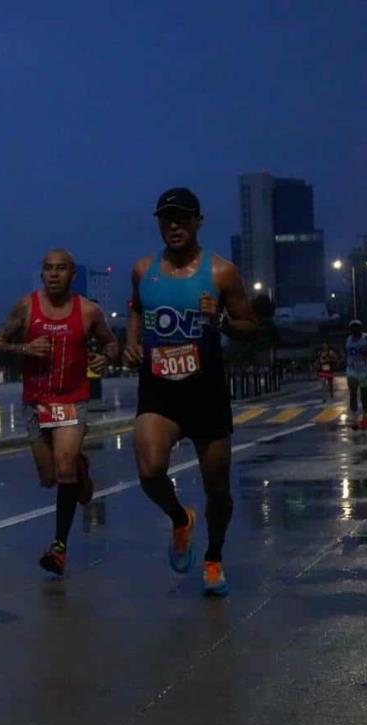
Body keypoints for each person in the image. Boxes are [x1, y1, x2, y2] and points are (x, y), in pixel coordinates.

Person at [123, 188, 256, 597]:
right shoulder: (145, 269)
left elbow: (249, 328)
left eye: (182, 218)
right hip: (159, 390)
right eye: (166, 218)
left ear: (199, 222)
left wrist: (220, 321)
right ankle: (180, 519)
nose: (174, 225)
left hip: (206, 392)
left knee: (217, 488)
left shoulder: (221, 273)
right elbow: (136, 310)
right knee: (149, 470)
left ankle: (214, 557)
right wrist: (131, 344)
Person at [0, 249, 118, 576]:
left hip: (72, 399)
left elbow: (111, 344)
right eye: (48, 269)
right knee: (49, 477)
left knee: (63, 469)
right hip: (36, 402)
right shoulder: (26, 306)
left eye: (60, 269)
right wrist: (25, 348)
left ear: (72, 275)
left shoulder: (89, 311)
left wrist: (105, 358)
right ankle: (80, 464)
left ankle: (59, 547)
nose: (53, 275)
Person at [345, 320, 367, 429]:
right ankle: (354, 418)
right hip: (352, 371)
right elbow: (346, 353)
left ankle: (365, 416)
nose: (354, 330)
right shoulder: (348, 340)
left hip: (365, 371)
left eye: (356, 328)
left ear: (361, 329)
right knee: (353, 394)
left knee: (364, 397)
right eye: (352, 328)